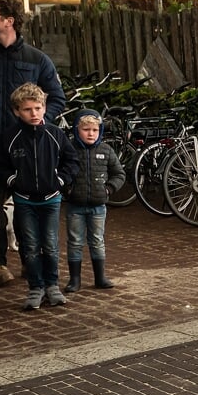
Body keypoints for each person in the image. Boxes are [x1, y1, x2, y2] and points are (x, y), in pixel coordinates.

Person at [0, 0, 66, 289]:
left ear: (8, 20)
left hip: (26, 150)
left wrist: (39, 124)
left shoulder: (37, 59)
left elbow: (57, 97)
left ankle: (29, 258)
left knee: (28, 207)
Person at [4, 83, 78, 310]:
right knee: (31, 245)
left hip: (51, 199)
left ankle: (52, 285)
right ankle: (35, 287)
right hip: (24, 200)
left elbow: (71, 161)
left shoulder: (56, 134)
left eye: (38, 108)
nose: (33, 113)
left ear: (45, 108)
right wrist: (13, 182)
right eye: (27, 110)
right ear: (17, 111)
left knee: (51, 244)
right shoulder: (10, 137)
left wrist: (61, 181)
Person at [63, 110, 125, 292]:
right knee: (75, 241)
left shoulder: (106, 150)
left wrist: (108, 189)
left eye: (95, 130)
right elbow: (60, 172)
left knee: (97, 241)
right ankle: (75, 279)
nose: (90, 133)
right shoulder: (69, 149)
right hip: (75, 205)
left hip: (98, 207)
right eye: (86, 129)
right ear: (76, 130)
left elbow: (119, 173)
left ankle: (100, 277)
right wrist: (67, 189)